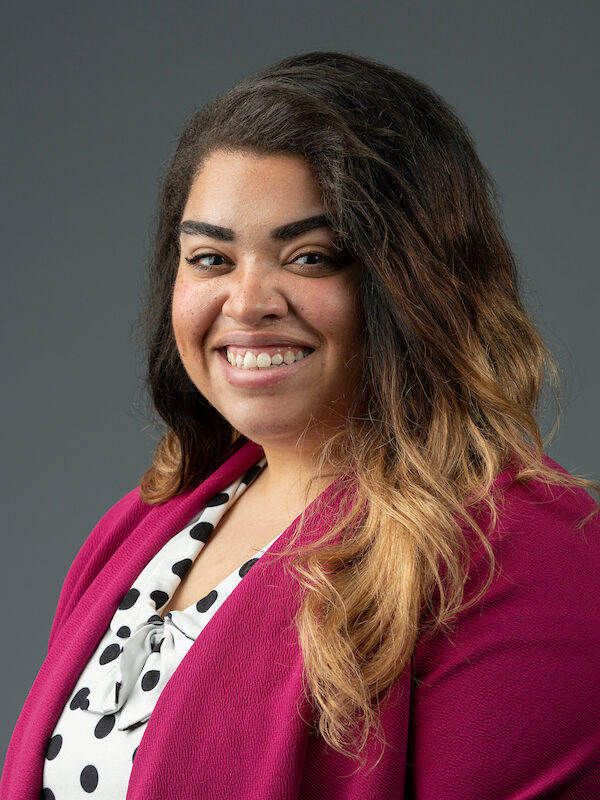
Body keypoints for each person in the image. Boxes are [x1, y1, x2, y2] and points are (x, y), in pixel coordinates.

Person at [2, 51, 599, 800]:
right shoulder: (137, 531)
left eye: (311, 257)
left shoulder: (522, 554)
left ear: (413, 281)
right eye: (211, 258)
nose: (247, 302)